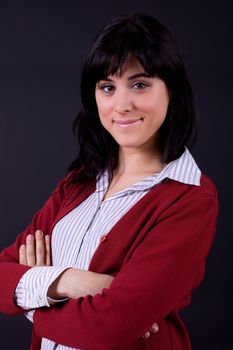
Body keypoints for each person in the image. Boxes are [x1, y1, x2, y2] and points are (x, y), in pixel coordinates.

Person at [0, 13, 218, 350]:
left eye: (140, 84)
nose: (122, 105)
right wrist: (71, 281)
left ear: (171, 90)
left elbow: (109, 328)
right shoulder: (80, 182)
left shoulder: (190, 199)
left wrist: (32, 296)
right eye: (107, 87)